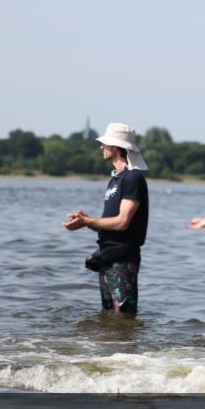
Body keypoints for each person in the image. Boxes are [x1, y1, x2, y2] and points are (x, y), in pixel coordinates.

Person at [63, 123, 149, 314]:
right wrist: (86, 222)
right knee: (108, 314)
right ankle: (109, 344)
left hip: (123, 257)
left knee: (124, 314)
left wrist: (89, 222)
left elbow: (122, 222)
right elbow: (111, 222)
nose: (101, 147)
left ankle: (127, 345)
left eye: (105, 143)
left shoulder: (133, 179)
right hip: (107, 255)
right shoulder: (115, 180)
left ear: (117, 147)